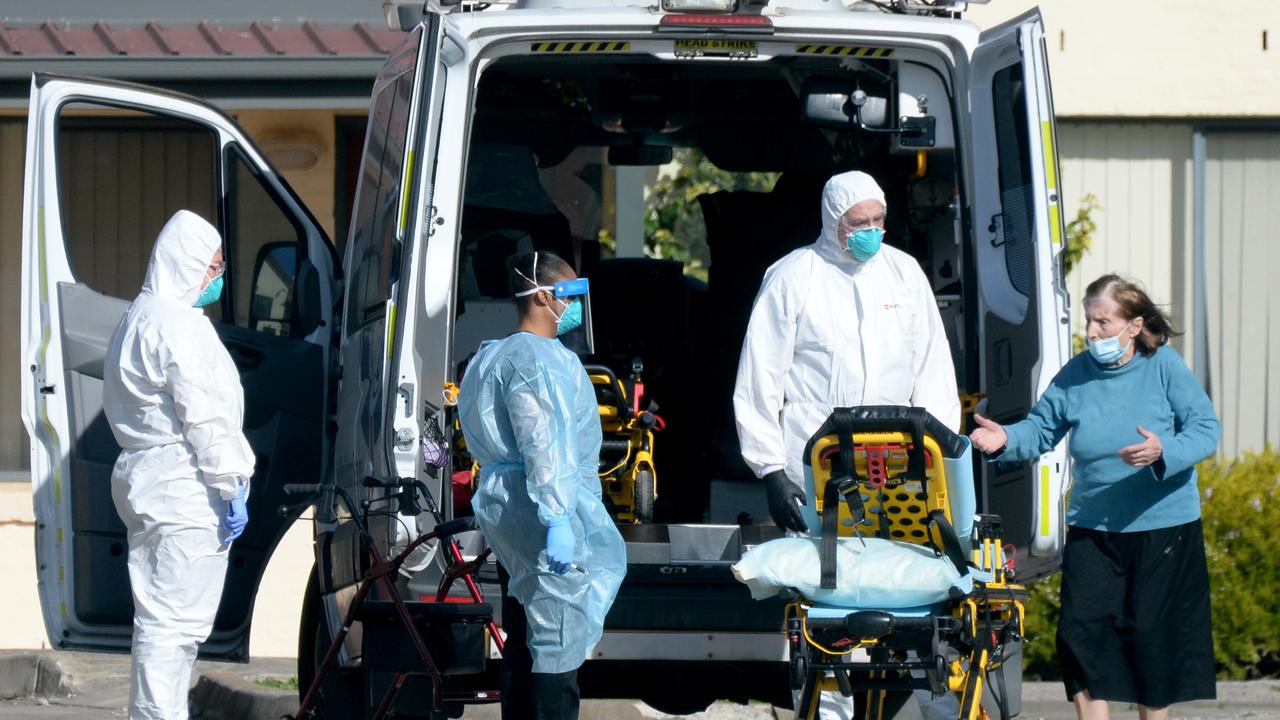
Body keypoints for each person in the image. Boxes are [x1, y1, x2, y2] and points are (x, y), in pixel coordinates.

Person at [969, 274, 1220, 720]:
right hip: (1093, 526)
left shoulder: (1163, 365)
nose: (1091, 333)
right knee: (1080, 639)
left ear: (1134, 325)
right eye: (1088, 321)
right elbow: (1041, 430)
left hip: (1162, 529)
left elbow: (1205, 429)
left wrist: (1164, 449)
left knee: (1150, 641)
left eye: (1103, 322)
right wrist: (1005, 438)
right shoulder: (1075, 375)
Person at [734, 170, 961, 535]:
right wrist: (771, 471)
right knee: (821, 572)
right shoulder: (793, 277)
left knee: (895, 563)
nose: (871, 231)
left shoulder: (904, 274)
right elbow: (760, 376)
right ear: (832, 220)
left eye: (877, 220)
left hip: (897, 456)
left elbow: (933, 367)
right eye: (858, 222)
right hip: (816, 456)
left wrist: (939, 450)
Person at [458, 251, 626, 720]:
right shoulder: (537, 360)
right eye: (571, 295)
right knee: (557, 642)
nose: (576, 306)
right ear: (544, 296)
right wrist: (557, 517)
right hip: (541, 514)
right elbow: (544, 443)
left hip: (511, 512)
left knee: (524, 636)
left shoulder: (492, 354)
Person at [102, 210, 255, 720]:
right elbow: (205, 415)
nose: (217, 276)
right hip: (184, 487)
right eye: (213, 266)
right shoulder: (179, 327)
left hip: (151, 482)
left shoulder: (138, 318)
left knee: (159, 622)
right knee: (172, 629)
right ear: (187, 263)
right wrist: (230, 480)